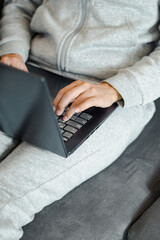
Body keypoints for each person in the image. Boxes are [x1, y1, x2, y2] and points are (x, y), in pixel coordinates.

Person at [0, 1, 159, 239]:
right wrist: (11, 48)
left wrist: (116, 88)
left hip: (112, 94)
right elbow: (21, 5)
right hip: (30, 70)